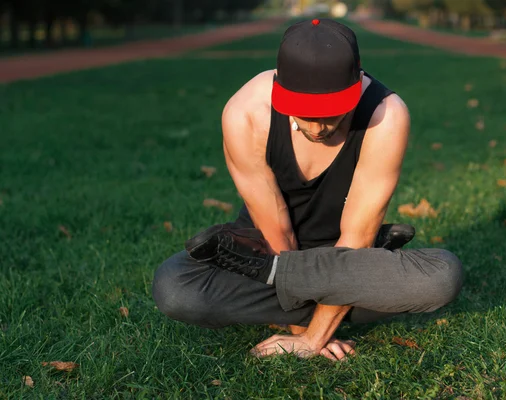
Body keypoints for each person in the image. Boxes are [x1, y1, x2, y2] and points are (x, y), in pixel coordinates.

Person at [152, 18, 464, 362]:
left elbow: (355, 239)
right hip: (268, 251)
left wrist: (314, 338)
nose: (317, 128)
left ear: (357, 82)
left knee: (442, 276)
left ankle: (288, 280)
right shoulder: (244, 114)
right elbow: (277, 232)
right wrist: (304, 330)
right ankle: (348, 277)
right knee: (174, 286)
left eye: (332, 114)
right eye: (304, 114)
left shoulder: (385, 116)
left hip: (343, 255)